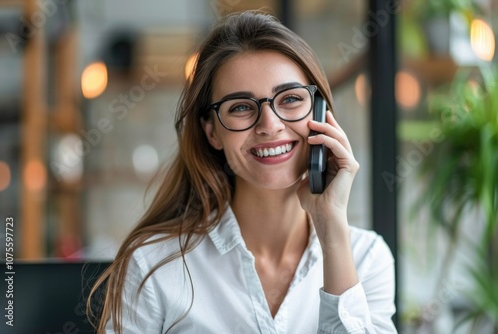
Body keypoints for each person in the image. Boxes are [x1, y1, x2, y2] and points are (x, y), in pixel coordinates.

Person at [88, 10, 396, 334]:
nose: (270, 125)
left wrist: (331, 225)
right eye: (240, 107)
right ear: (212, 132)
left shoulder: (366, 259)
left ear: (320, 113)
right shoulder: (153, 265)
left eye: (290, 99)